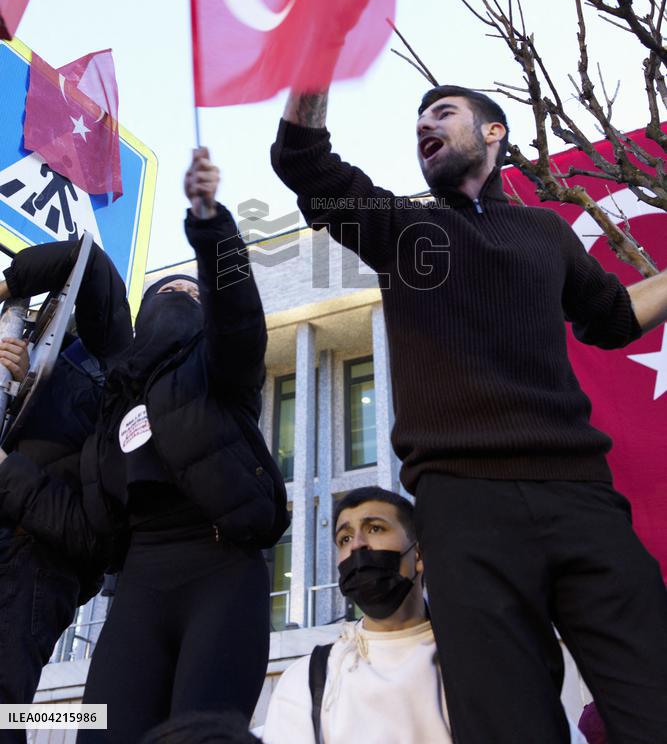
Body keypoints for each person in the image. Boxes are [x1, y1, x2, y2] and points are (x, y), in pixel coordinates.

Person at [270, 81, 667, 744]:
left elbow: (613, 318)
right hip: (462, 508)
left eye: (443, 113)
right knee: (506, 723)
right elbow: (303, 162)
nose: (423, 124)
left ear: (492, 133)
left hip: (581, 499)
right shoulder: (401, 229)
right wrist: (317, 57)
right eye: (417, 118)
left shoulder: (544, 233)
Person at [0, 148, 289, 744]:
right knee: (93, 725)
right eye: (165, 290)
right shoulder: (108, 398)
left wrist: (212, 229)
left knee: (199, 732)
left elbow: (238, 317)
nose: (176, 298)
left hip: (220, 570)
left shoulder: (223, 377)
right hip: (136, 585)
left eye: (190, 295)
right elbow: (91, 265)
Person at [262, 486, 586, 744]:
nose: (357, 545)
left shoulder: (486, 662)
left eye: (374, 528)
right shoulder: (307, 680)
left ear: (418, 555)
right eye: (345, 538)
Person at [0, 239, 133, 742]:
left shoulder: (118, 369)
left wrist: (6, 470)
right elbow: (78, 256)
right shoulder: (28, 340)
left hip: (31, 562)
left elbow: (92, 537)